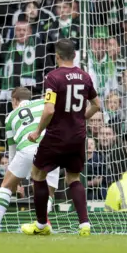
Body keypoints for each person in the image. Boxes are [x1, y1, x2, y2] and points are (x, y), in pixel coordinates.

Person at [23, 39, 101, 237]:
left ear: (57, 56)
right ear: (74, 55)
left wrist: (37, 131)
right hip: (77, 137)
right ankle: (84, 224)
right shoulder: (85, 76)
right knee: (73, 178)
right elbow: (97, 105)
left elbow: (49, 110)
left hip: (57, 136)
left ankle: (41, 225)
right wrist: (80, 118)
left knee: (37, 174)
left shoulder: (53, 77)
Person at [0, 87, 60, 233]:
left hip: (26, 148)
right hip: (51, 148)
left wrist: (15, 177)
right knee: (48, 191)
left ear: (14, 100)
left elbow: (12, 150)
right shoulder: (43, 103)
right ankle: (44, 221)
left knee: (6, 186)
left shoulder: (10, 116)